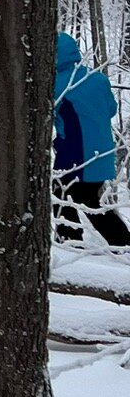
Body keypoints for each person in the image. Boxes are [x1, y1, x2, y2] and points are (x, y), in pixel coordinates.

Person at [53, 31, 130, 247]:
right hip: (103, 153)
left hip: (76, 154)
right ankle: (121, 244)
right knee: (89, 200)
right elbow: (112, 110)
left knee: (64, 196)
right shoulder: (97, 78)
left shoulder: (56, 84)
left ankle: (70, 244)